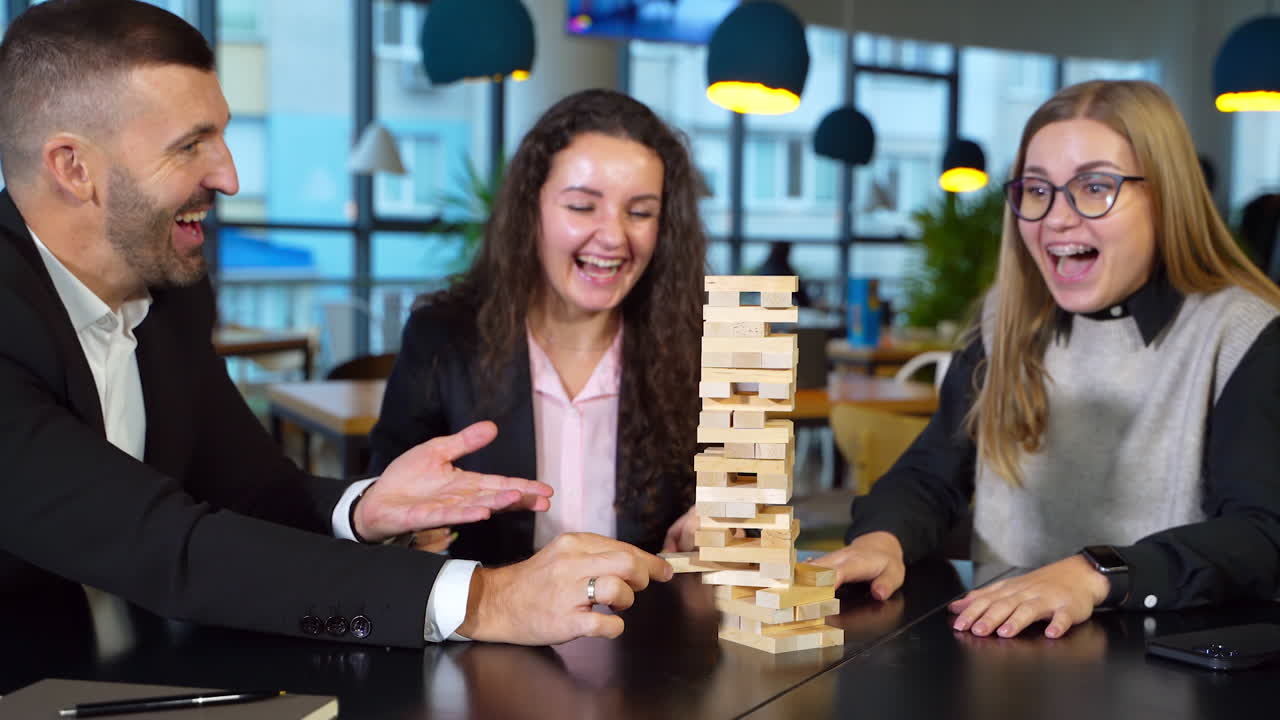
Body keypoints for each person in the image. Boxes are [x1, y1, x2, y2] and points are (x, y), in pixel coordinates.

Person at [0, 0, 672, 650]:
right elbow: (172, 545)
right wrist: (484, 600)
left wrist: (367, 507)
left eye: (223, 134)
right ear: (73, 169)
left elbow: (258, 492)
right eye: (190, 146)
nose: (229, 175)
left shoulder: (170, 296)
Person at [813, 80, 1280, 639]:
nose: (1056, 217)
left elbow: (1260, 533)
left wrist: (1094, 574)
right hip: (997, 652)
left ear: (1168, 197)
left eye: (1095, 186)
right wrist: (880, 540)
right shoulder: (1003, 321)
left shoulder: (1240, 333)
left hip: (1160, 667)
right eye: (1038, 190)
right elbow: (929, 474)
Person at [368, 88, 707, 564]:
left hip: (643, 629)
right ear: (532, 211)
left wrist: (714, 526)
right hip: (488, 628)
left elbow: (735, 502)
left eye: (640, 213)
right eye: (582, 206)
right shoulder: (442, 339)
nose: (613, 236)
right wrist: (413, 532)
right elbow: (381, 506)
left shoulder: (695, 350)